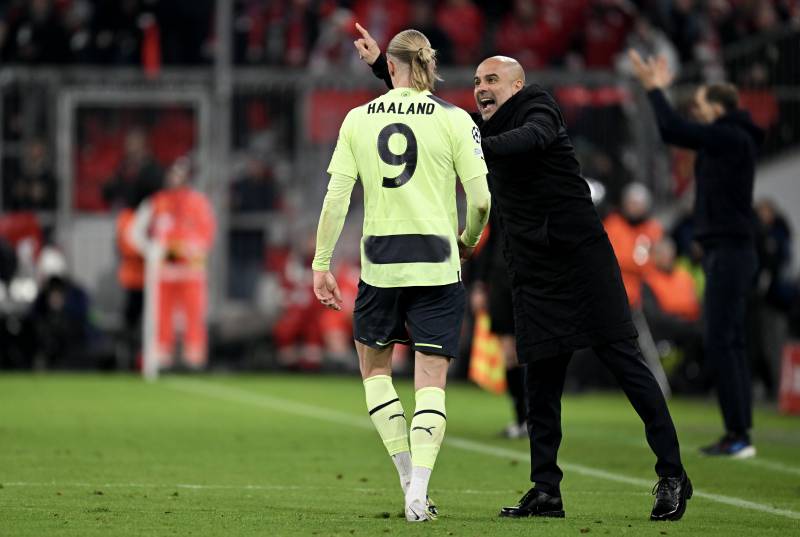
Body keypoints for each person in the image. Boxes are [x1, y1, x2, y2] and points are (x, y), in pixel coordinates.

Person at [356, 25, 690, 521]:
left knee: (628, 367)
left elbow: (526, 140)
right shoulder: (477, 128)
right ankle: (546, 490)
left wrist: (468, 149)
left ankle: (672, 475)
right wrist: (383, 65)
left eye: (491, 79)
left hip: (582, 264)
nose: (481, 88)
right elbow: (430, 116)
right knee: (540, 383)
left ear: (516, 85)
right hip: (532, 268)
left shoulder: (539, 106)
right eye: (475, 82)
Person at [314, 27, 490, 522]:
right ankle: (420, 493)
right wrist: (470, 239)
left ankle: (405, 476)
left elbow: (336, 199)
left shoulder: (357, 120)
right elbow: (479, 199)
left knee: (374, 372)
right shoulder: (455, 120)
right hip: (438, 263)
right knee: (431, 380)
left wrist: (321, 262)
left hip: (381, 266)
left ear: (389, 68)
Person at [630, 49, 764, 457]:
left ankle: (738, 434)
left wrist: (655, 89)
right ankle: (738, 431)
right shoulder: (729, 141)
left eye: (702, 103)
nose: (696, 109)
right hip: (729, 250)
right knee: (729, 341)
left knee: (723, 340)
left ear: (721, 107)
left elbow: (672, 129)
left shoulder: (729, 135)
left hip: (731, 251)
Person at [129, 157, 215, 369]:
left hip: (191, 271)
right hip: (165, 271)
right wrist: (151, 251)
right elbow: (133, 231)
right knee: (162, 314)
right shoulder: (157, 202)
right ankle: (162, 355)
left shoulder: (198, 203)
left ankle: (194, 358)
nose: (176, 179)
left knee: (194, 314)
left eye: (180, 174)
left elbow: (207, 232)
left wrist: (191, 249)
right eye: (173, 174)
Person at [470, 211, 527, 439]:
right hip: (501, 281)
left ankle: (535, 418)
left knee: (530, 352)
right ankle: (521, 418)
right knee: (508, 353)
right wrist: (479, 284)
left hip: (529, 278)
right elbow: (492, 239)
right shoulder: (498, 195)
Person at [603, 182, 664, 308]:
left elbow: (659, 261)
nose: (634, 208)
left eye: (638, 204)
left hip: (647, 290)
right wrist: (637, 265)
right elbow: (611, 259)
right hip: (617, 287)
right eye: (631, 203)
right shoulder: (612, 225)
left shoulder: (653, 229)